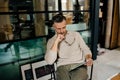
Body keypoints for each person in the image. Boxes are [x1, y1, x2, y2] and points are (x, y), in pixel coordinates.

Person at [45, 14, 93, 80]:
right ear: (54, 27)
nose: (62, 31)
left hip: (78, 65)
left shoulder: (76, 35)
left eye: (64, 27)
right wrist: (56, 42)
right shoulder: (51, 41)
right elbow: (50, 61)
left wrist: (88, 58)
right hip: (62, 67)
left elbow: (85, 49)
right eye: (59, 28)